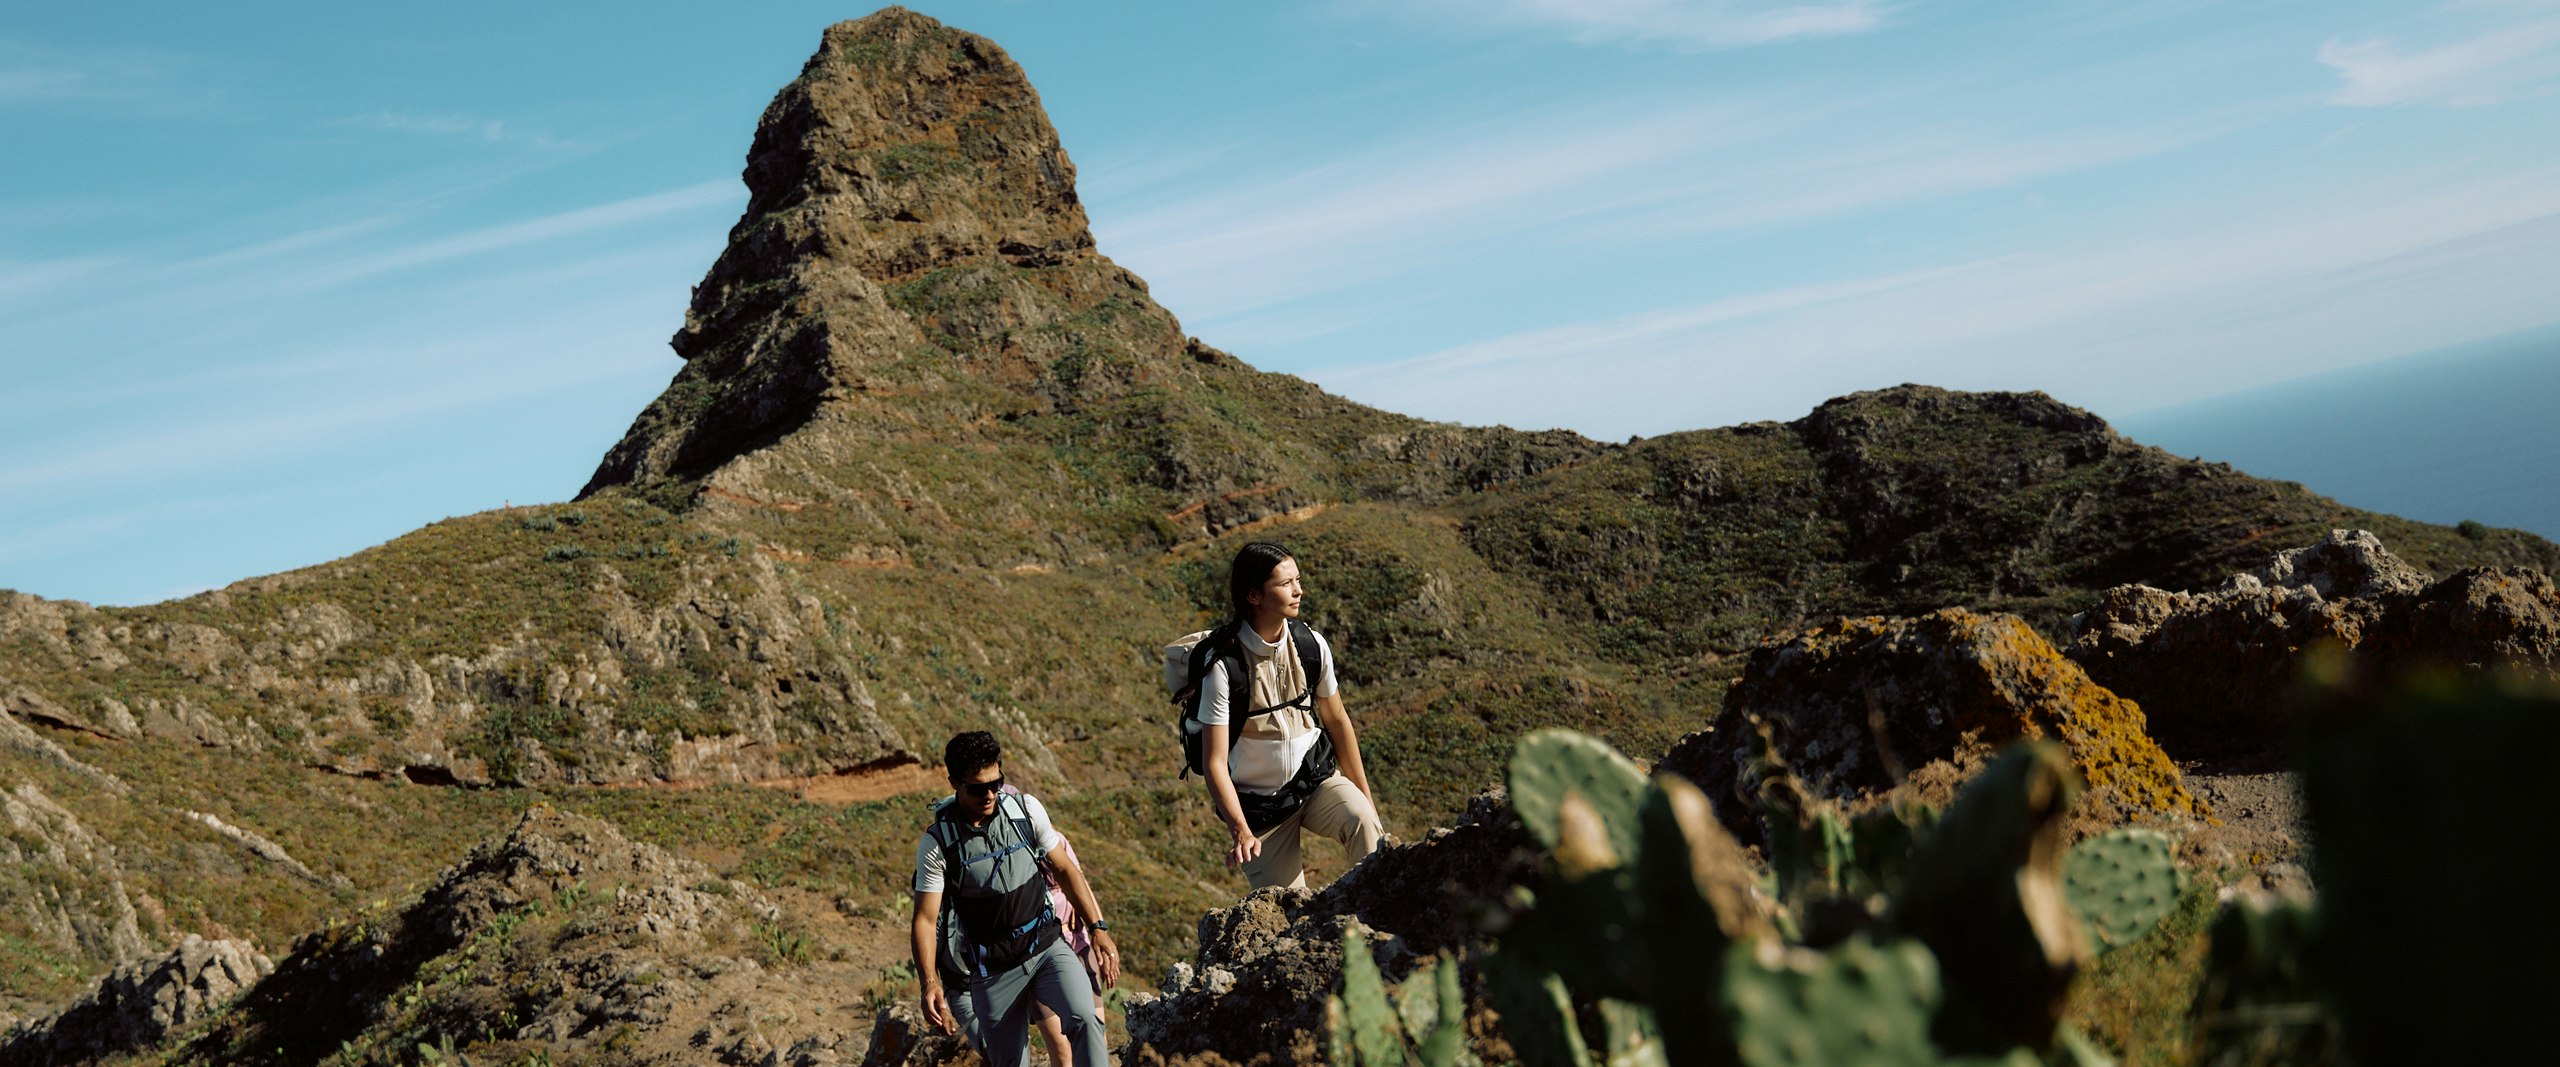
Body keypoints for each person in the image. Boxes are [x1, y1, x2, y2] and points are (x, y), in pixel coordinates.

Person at [911, 731, 1120, 1067]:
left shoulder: (1025, 810)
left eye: (997, 782)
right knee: (1009, 1062)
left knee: (1085, 1019)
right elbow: (924, 918)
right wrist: (929, 983)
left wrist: (1098, 928)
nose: (990, 794)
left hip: (1047, 947)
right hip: (993, 970)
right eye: (978, 788)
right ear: (954, 782)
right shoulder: (938, 845)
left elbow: (1065, 869)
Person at [1198, 541, 1385, 891]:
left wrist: (1365, 797)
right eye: (1286, 584)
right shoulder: (1224, 667)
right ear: (1254, 595)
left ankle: (1379, 926)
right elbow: (1215, 762)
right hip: (1261, 811)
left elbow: (1337, 720)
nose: (1299, 590)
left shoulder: (1311, 645)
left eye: (1297, 580)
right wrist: (1240, 828)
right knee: (1285, 910)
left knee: (1365, 825)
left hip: (1315, 782)